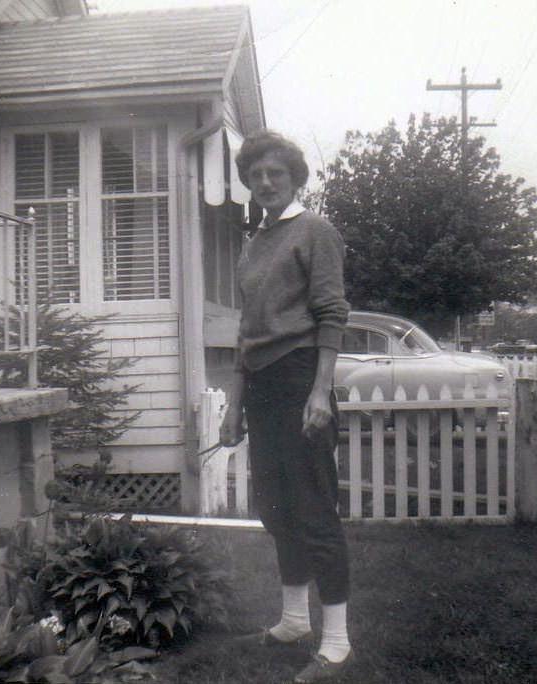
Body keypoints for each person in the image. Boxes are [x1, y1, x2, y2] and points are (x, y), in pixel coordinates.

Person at [219, 130, 354, 683]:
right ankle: (294, 622)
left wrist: (320, 391)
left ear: (296, 178)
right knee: (275, 508)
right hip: (262, 385)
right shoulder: (255, 243)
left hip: (301, 379)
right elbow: (247, 335)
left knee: (314, 510)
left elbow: (331, 314)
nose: (265, 182)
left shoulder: (315, 231)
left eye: (275, 173)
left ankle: (338, 643)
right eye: (255, 176)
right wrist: (234, 407)